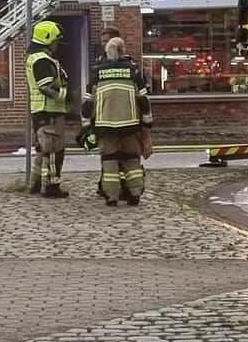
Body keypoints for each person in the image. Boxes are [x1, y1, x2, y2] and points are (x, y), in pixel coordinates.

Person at [82, 35, 152, 206]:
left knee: (109, 161)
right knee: (131, 159)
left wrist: (87, 126)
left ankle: (111, 196)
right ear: (123, 51)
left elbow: (87, 103)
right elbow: (143, 100)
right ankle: (135, 193)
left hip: (104, 126)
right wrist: (147, 123)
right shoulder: (133, 71)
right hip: (129, 125)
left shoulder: (96, 72)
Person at [24, 20, 71, 198]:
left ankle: (35, 184)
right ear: (48, 39)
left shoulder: (36, 58)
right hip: (49, 111)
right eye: (56, 40)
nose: (57, 44)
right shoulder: (43, 61)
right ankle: (51, 187)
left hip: (41, 111)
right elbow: (46, 87)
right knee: (54, 151)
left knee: (42, 150)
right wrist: (67, 96)